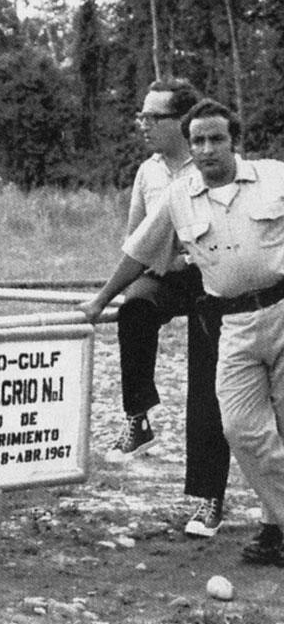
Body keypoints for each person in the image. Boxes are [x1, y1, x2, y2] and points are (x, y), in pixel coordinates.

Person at [80, 99, 284, 566]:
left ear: (234, 141)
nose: (208, 149)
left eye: (217, 139)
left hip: (281, 310)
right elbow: (138, 251)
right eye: (199, 141)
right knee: (239, 427)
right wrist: (100, 300)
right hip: (232, 324)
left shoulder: (275, 177)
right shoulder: (178, 196)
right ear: (190, 147)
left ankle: (275, 529)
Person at [108, 79, 230, 539]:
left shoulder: (211, 166)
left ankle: (207, 498)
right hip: (163, 276)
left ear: (179, 123)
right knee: (133, 307)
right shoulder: (148, 172)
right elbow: (136, 240)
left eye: (152, 117)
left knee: (207, 385)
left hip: (210, 280)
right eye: (141, 116)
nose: (143, 125)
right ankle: (137, 417)